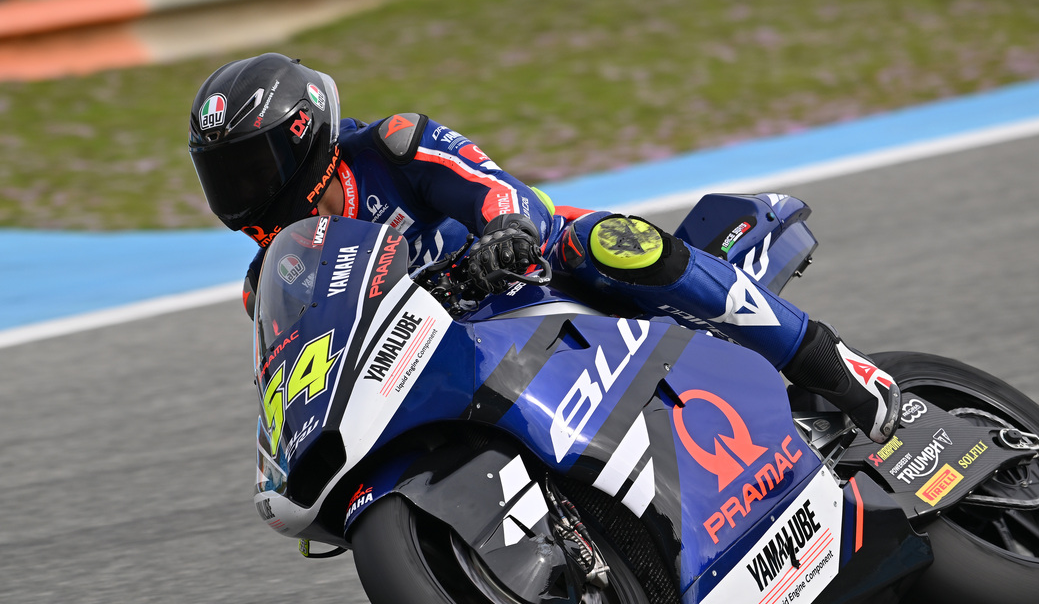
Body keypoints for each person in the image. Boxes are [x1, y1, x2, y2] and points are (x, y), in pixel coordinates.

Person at [188, 53, 899, 442]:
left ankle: (832, 365)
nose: (242, 191)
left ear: (304, 137)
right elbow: (300, 365)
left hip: (527, 274)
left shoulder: (392, 147)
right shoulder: (274, 273)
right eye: (224, 176)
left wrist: (505, 233)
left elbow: (496, 189)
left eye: (251, 168)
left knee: (610, 244)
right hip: (444, 352)